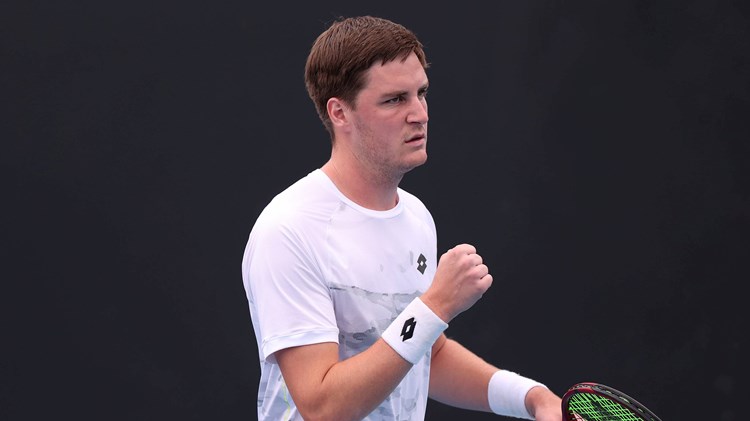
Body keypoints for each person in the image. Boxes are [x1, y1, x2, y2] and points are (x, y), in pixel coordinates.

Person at [241, 15, 563, 420]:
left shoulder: (416, 218)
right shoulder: (288, 230)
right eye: (394, 100)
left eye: (421, 94)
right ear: (340, 113)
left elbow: (425, 352)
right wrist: (436, 305)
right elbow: (321, 407)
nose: (420, 114)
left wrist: (531, 397)